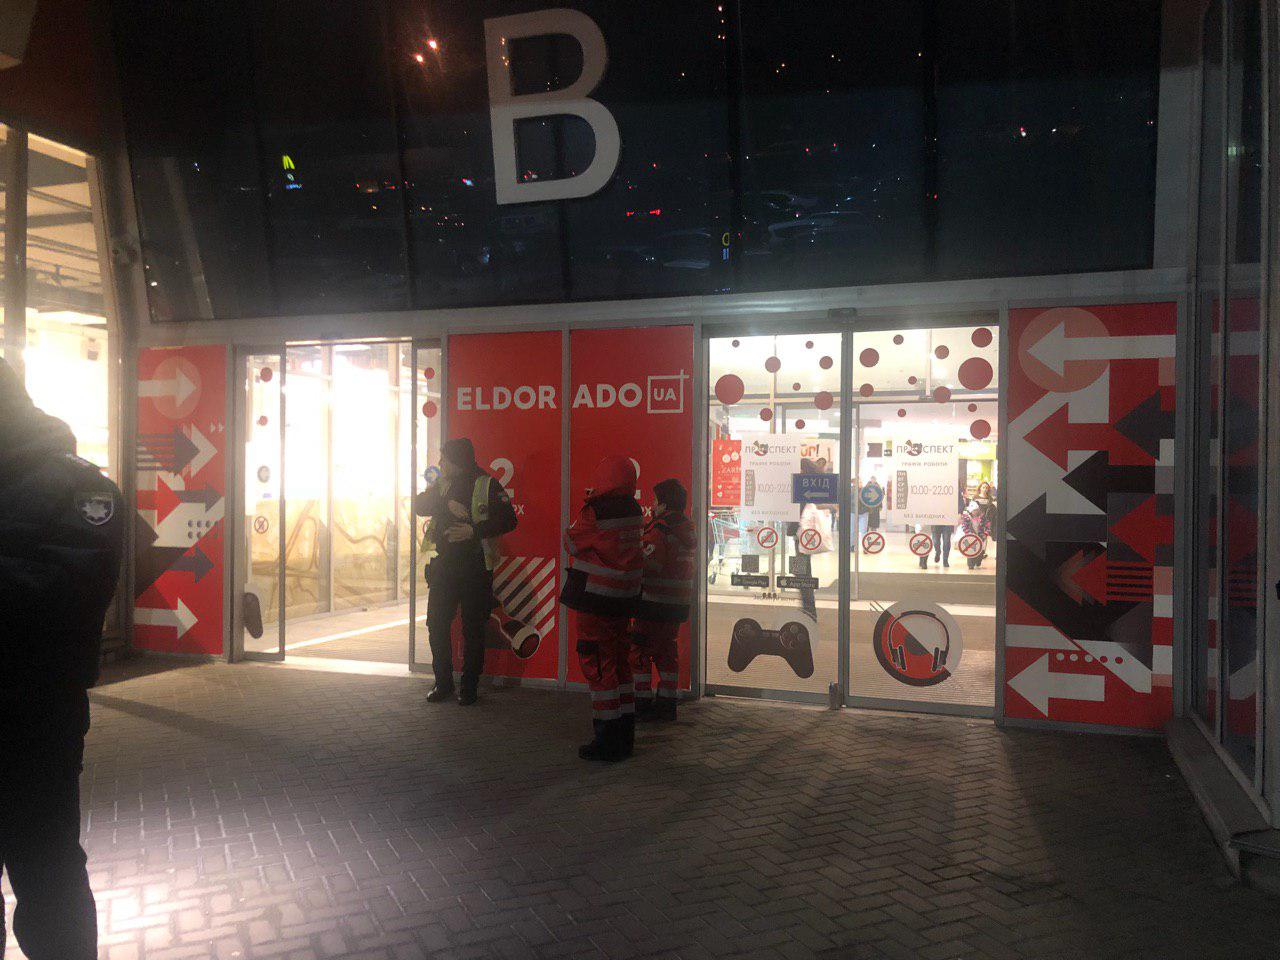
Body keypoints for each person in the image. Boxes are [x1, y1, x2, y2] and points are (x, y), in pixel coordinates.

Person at [0, 357, 124, 960]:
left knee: (48, 874)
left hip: (34, 722)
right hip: (38, 718)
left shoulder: (82, 490)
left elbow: (65, 596)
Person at [414, 438, 517, 705]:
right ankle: (443, 683)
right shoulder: (442, 485)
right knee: (436, 624)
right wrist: (445, 501)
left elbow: (509, 519)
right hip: (444, 566)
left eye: (444, 459)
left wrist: (474, 530)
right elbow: (419, 506)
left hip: (475, 567)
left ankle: (469, 687)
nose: (440, 464)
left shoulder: (487, 484)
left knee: (473, 628)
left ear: (457, 461)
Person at [561, 456, 645, 761]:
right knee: (621, 664)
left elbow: (571, 543)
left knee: (598, 667)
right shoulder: (634, 509)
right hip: (624, 599)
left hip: (596, 600)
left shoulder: (595, 510)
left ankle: (607, 741)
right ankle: (625, 735)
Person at [631, 479, 695, 723]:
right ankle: (667, 704)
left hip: (654, 601)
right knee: (667, 652)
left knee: (639, 650)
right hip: (677, 603)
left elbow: (652, 563)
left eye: (656, 500)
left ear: (664, 505)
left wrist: (633, 556)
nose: (652, 504)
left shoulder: (660, 528)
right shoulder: (686, 528)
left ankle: (641, 703)